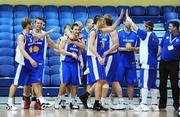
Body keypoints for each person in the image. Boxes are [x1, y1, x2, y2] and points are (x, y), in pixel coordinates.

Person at [79, 10, 124, 111]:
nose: (104, 23)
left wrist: (120, 18)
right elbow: (90, 46)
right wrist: (99, 57)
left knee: (102, 80)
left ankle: (88, 97)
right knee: (99, 80)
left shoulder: (99, 31)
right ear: (98, 21)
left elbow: (112, 28)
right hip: (94, 58)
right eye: (103, 21)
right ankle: (96, 102)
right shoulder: (93, 31)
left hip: (98, 58)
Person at [6, 18, 55, 111]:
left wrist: (48, 32)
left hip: (28, 62)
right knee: (16, 83)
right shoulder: (21, 36)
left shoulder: (31, 33)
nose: (33, 24)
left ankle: (41, 100)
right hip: (21, 62)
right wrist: (31, 59)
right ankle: (9, 103)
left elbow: (39, 36)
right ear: (27, 24)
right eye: (31, 23)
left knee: (35, 81)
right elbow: (22, 50)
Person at [126, 10, 159, 111]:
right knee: (153, 85)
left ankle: (143, 103)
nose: (143, 28)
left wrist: (129, 19)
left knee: (144, 84)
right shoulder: (155, 36)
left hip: (146, 64)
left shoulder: (146, 35)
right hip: (153, 63)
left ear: (148, 28)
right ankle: (154, 104)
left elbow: (135, 28)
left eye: (144, 26)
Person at [21, 17, 57, 110]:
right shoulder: (30, 33)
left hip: (39, 62)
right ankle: (26, 99)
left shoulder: (45, 35)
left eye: (41, 24)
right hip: (28, 61)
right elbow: (35, 37)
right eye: (37, 23)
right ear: (34, 23)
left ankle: (39, 102)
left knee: (38, 82)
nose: (39, 25)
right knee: (27, 82)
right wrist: (48, 32)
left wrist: (59, 49)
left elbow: (53, 45)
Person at [54, 23, 85, 109]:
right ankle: (59, 99)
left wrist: (81, 61)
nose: (77, 31)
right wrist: (71, 54)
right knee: (64, 82)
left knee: (74, 83)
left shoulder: (78, 41)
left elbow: (81, 50)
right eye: (75, 29)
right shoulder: (65, 39)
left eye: (78, 30)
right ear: (72, 30)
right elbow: (60, 50)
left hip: (75, 64)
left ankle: (73, 101)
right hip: (65, 63)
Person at [100, 14, 126, 110]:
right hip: (109, 57)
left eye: (102, 21)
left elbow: (116, 45)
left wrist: (106, 52)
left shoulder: (112, 31)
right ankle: (121, 102)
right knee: (115, 80)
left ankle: (102, 101)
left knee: (104, 79)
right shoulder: (105, 32)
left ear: (105, 22)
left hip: (111, 57)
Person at [117, 17, 139, 109]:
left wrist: (133, 49)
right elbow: (116, 47)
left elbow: (138, 49)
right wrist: (125, 49)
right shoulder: (119, 33)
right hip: (120, 61)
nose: (129, 23)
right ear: (123, 23)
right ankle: (116, 101)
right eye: (127, 22)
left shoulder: (135, 34)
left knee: (131, 83)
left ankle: (130, 102)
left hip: (131, 62)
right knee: (116, 82)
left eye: (130, 22)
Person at [157, 20, 180, 111]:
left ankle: (176, 105)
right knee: (162, 84)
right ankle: (162, 105)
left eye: (170, 26)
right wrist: (156, 57)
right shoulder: (166, 35)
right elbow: (161, 47)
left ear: (175, 27)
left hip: (174, 63)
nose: (168, 27)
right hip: (163, 62)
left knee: (174, 84)